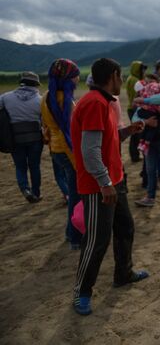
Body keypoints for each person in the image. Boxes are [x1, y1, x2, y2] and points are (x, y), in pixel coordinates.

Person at [71, 58, 149, 316]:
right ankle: (82, 292)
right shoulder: (94, 103)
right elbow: (90, 151)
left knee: (125, 227)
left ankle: (123, 274)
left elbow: (106, 140)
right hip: (99, 186)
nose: (121, 79)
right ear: (113, 75)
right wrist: (104, 183)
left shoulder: (104, 102)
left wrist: (127, 131)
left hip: (115, 180)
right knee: (97, 239)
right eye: (120, 75)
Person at [41, 58, 82, 249]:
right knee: (76, 195)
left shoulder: (46, 97)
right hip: (66, 151)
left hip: (55, 150)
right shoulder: (65, 100)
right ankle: (75, 238)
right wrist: (78, 162)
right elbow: (70, 135)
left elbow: (47, 129)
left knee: (74, 193)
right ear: (67, 79)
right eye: (75, 76)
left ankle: (69, 233)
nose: (77, 79)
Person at [0, 72, 43, 203]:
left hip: (15, 139)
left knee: (20, 167)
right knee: (35, 166)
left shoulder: (5, 97)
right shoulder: (40, 100)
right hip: (35, 138)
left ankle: (25, 189)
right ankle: (36, 192)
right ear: (36, 84)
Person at [125, 61, 147, 162]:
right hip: (134, 108)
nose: (143, 71)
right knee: (136, 133)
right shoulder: (135, 80)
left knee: (134, 133)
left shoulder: (131, 78)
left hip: (131, 107)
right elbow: (139, 95)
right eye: (142, 69)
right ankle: (135, 155)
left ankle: (134, 155)